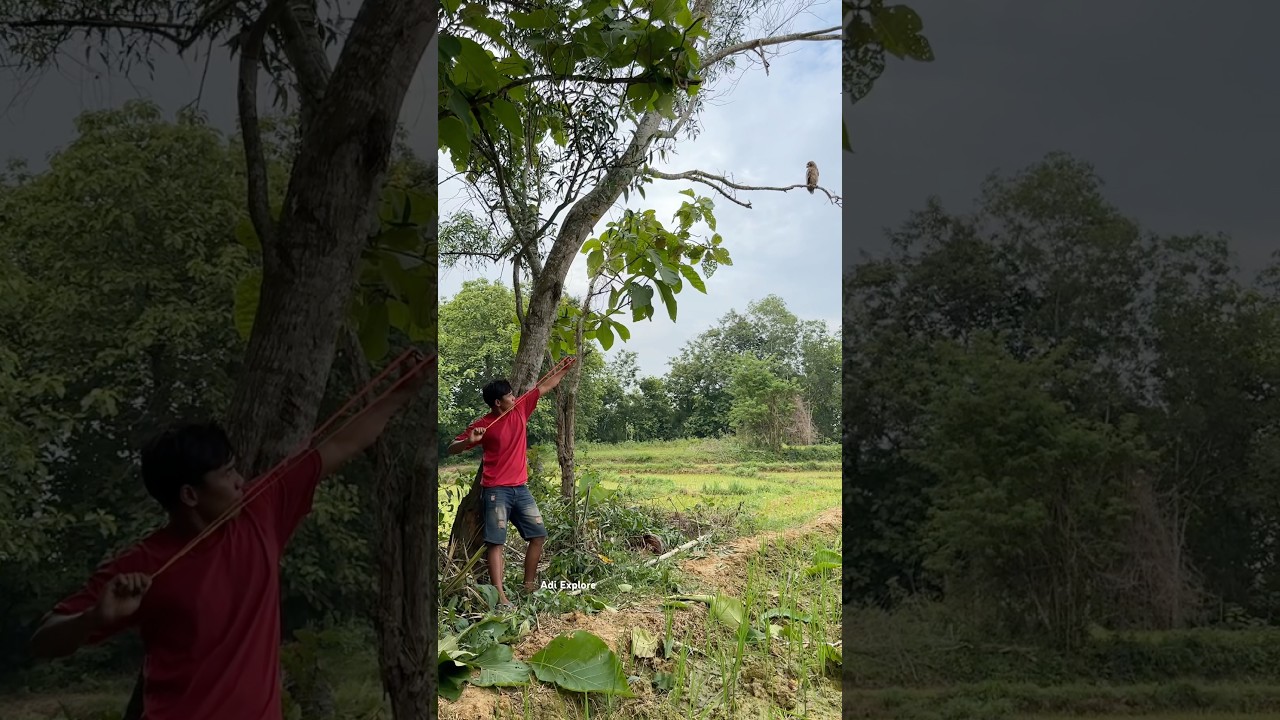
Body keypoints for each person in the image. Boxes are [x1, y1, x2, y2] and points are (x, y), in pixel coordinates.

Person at [27, 356, 428, 720]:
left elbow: (342, 442)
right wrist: (93, 618)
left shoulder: (261, 509)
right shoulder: (144, 566)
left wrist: (401, 392)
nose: (240, 481)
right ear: (189, 495)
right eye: (227, 473)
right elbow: (44, 640)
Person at [447, 361, 573, 608]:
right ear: (497, 402)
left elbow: (546, 384)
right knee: (496, 542)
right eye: (509, 395)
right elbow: (452, 448)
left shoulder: (520, 409)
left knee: (538, 535)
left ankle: (528, 587)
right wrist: (468, 441)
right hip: (496, 490)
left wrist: (566, 368)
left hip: (520, 489)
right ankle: (501, 598)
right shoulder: (483, 426)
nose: (514, 397)